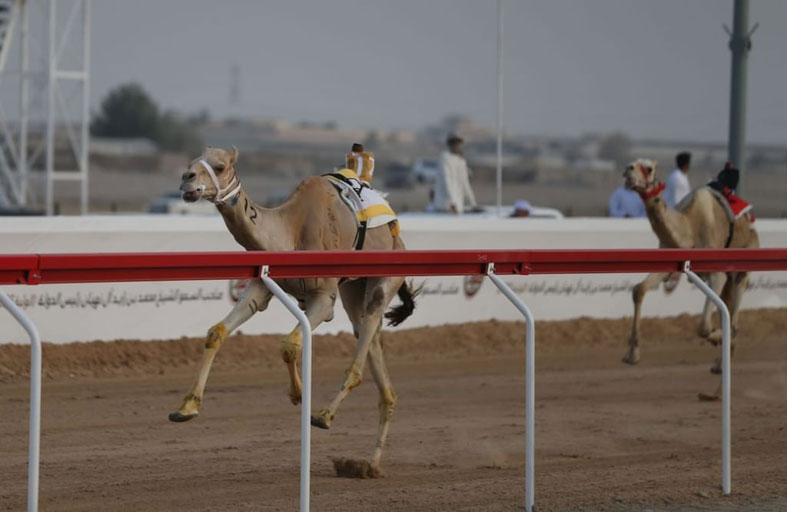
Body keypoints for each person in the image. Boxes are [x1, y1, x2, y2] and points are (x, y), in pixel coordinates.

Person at [433, 134, 481, 214]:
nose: (457, 146)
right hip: (444, 206)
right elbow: (447, 180)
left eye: (459, 144)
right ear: (450, 145)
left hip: (457, 206)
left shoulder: (461, 160)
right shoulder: (445, 158)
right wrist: (452, 202)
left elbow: (465, 183)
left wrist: (473, 203)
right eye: (454, 144)